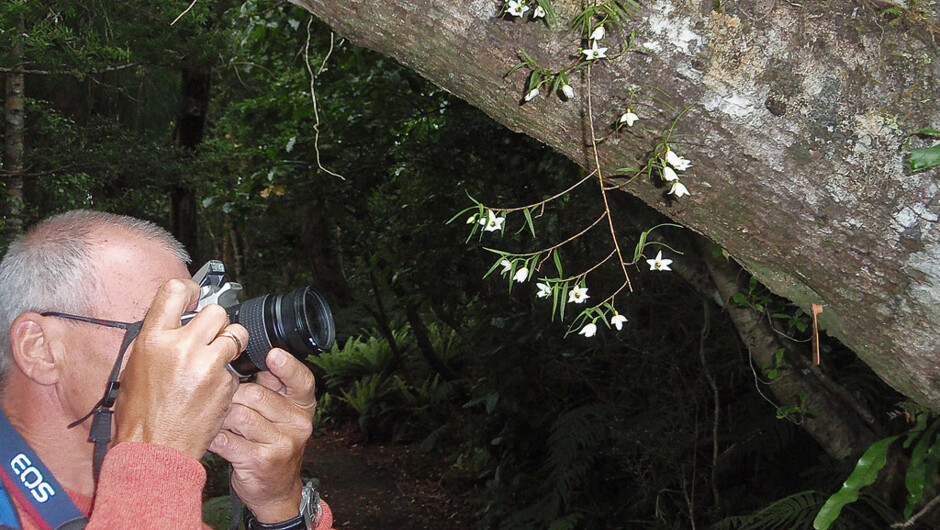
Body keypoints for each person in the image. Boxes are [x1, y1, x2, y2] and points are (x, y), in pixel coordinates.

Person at [0, 210, 333, 529]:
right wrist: (154, 461)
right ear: (39, 349)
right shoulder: (156, 490)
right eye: (164, 324)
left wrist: (279, 508)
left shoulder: (163, 503)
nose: (202, 352)